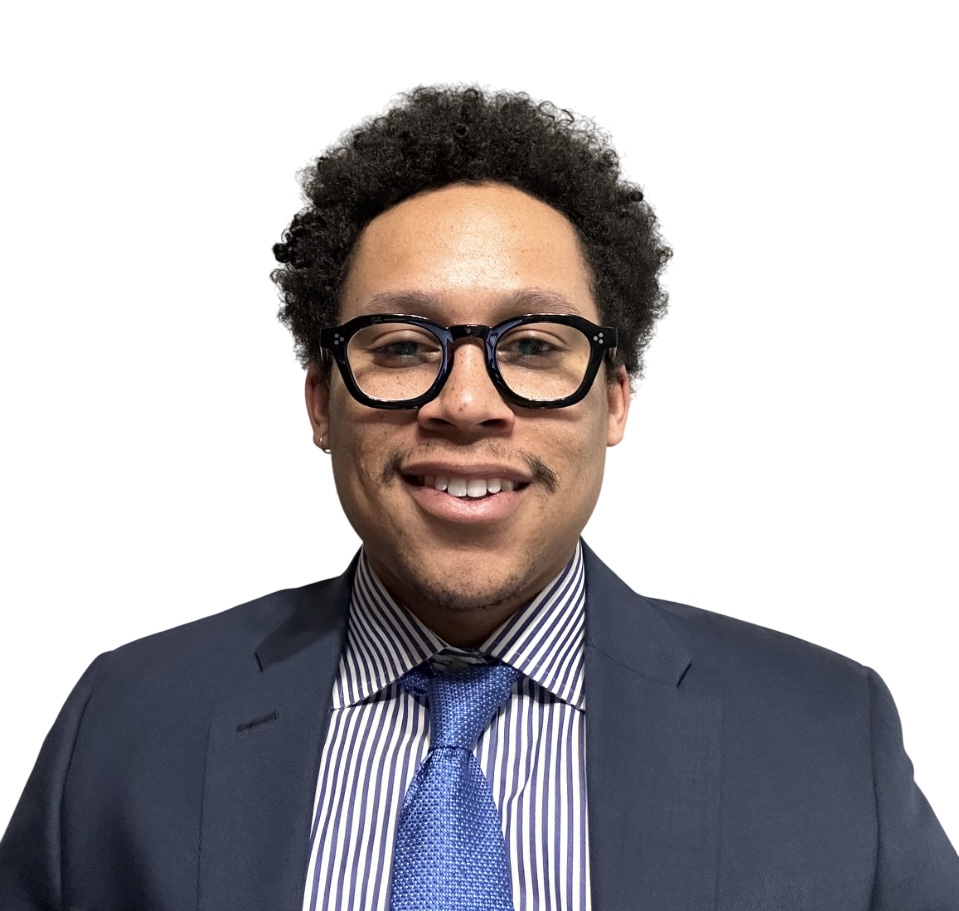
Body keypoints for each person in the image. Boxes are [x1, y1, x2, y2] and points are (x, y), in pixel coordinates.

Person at [1, 86, 956, 911]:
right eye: (403, 345)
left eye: (534, 346)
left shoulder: (831, 739)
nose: (465, 402)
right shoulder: (124, 726)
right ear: (319, 402)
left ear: (614, 398)